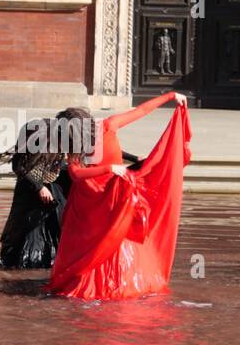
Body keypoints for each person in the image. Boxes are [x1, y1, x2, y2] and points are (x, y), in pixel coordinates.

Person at [48, 91, 191, 300]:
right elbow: (76, 174)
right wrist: (110, 168)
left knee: (117, 235)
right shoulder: (77, 145)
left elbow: (141, 110)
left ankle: (111, 281)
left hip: (113, 194)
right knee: (108, 237)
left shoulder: (108, 125)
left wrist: (170, 96)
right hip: (92, 198)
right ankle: (109, 282)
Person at [0, 118, 70, 269]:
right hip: (28, 193)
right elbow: (18, 166)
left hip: (52, 193)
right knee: (25, 231)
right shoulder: (35, 137)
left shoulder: (63, 142)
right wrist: (39, 187)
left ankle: (52, 261)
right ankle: (22, 263)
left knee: (55, 229)